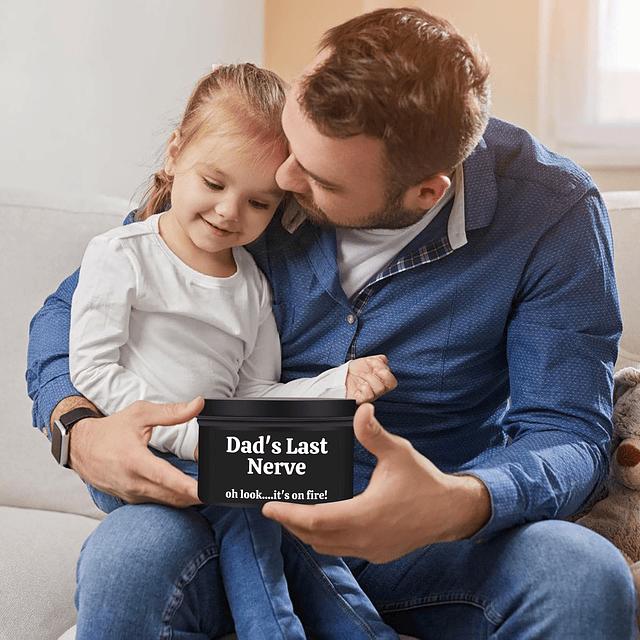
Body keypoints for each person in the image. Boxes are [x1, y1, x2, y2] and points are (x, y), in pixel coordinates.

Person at [26, 6, 638, 639]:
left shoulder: (551, 211)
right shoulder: (253, 164)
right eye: (294, 140)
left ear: (425, 192)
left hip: (423, 531)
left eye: (317, 179)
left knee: (582, 575)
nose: (283, 177)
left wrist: (454, 503)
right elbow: (68, 310)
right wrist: (78, 428)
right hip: (233, 503)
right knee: (128, 560)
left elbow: (567, 431)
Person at [61, 62, 399, 640]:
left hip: (220, 446)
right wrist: (189, 432)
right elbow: (92, 369)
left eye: (259, 203)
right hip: (139, 453)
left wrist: (335, 384)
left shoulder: (250, 283)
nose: (228, 213)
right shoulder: (122, 255)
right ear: (174, 155)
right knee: (253, 496)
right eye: (214, 184)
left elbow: (253, 393)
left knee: (285, 507)